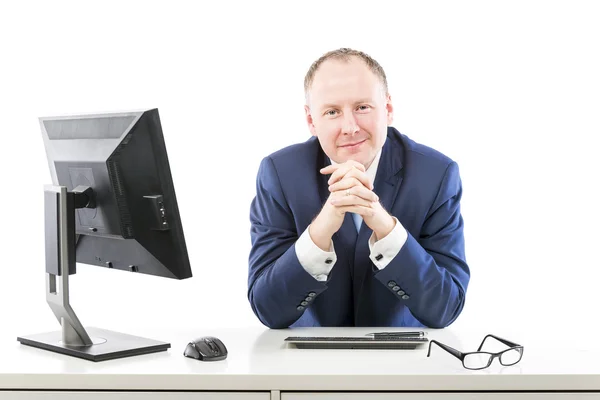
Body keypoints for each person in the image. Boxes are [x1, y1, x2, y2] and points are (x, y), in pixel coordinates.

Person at [248, 48, 470, 329]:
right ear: (311, 120)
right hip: (308, 364)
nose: (350, 127)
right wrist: (321, 230)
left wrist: (384, 226)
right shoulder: (280, 174)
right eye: (332, 112)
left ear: (388, 109)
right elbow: (268, 309)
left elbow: (445, 308)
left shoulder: (436, 174)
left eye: (362, 107)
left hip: (403, 365)